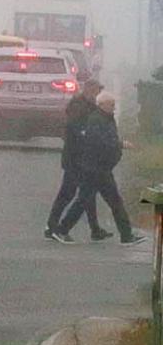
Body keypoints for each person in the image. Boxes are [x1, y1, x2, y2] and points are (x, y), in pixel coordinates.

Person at [50, 93, 147, 246]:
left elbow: (109, 139)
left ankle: (126, 235)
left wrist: (117, 146)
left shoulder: (107, 119)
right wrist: (120, 144)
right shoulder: (96, 120)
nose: (114, 108)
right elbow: (99, 142)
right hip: (94, 168)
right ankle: (61, 229)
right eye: (111, 104)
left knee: (111, 201)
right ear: (102, 105)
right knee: (85, 200)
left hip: (103, 168)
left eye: (114, 105)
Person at [45, 76, 109, 241]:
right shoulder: (79, 106)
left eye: (99, 91)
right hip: (75, 157)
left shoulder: (88, 106)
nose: (97, 94)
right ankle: (53, 226)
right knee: (69, 193)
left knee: (87, 193)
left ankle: (94, 229)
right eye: (95, 91)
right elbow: (74, 129)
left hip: (82, 157)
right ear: (88, 90)